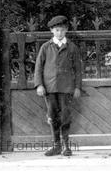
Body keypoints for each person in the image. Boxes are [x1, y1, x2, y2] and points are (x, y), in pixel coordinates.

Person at [34, 15, 82, 156]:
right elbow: (38, 67)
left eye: (62, 30)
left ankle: (66, 146)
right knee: (52, 116)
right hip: (49, 88)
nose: (59, 33)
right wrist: (39, 85)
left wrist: (77, 87)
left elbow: (78, 69)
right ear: (51, 31)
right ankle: (56, 145)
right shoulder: (45, 47)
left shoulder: (72, 47)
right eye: (56, 30)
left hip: (67, 88)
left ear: (66, 30)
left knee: (65, 117)